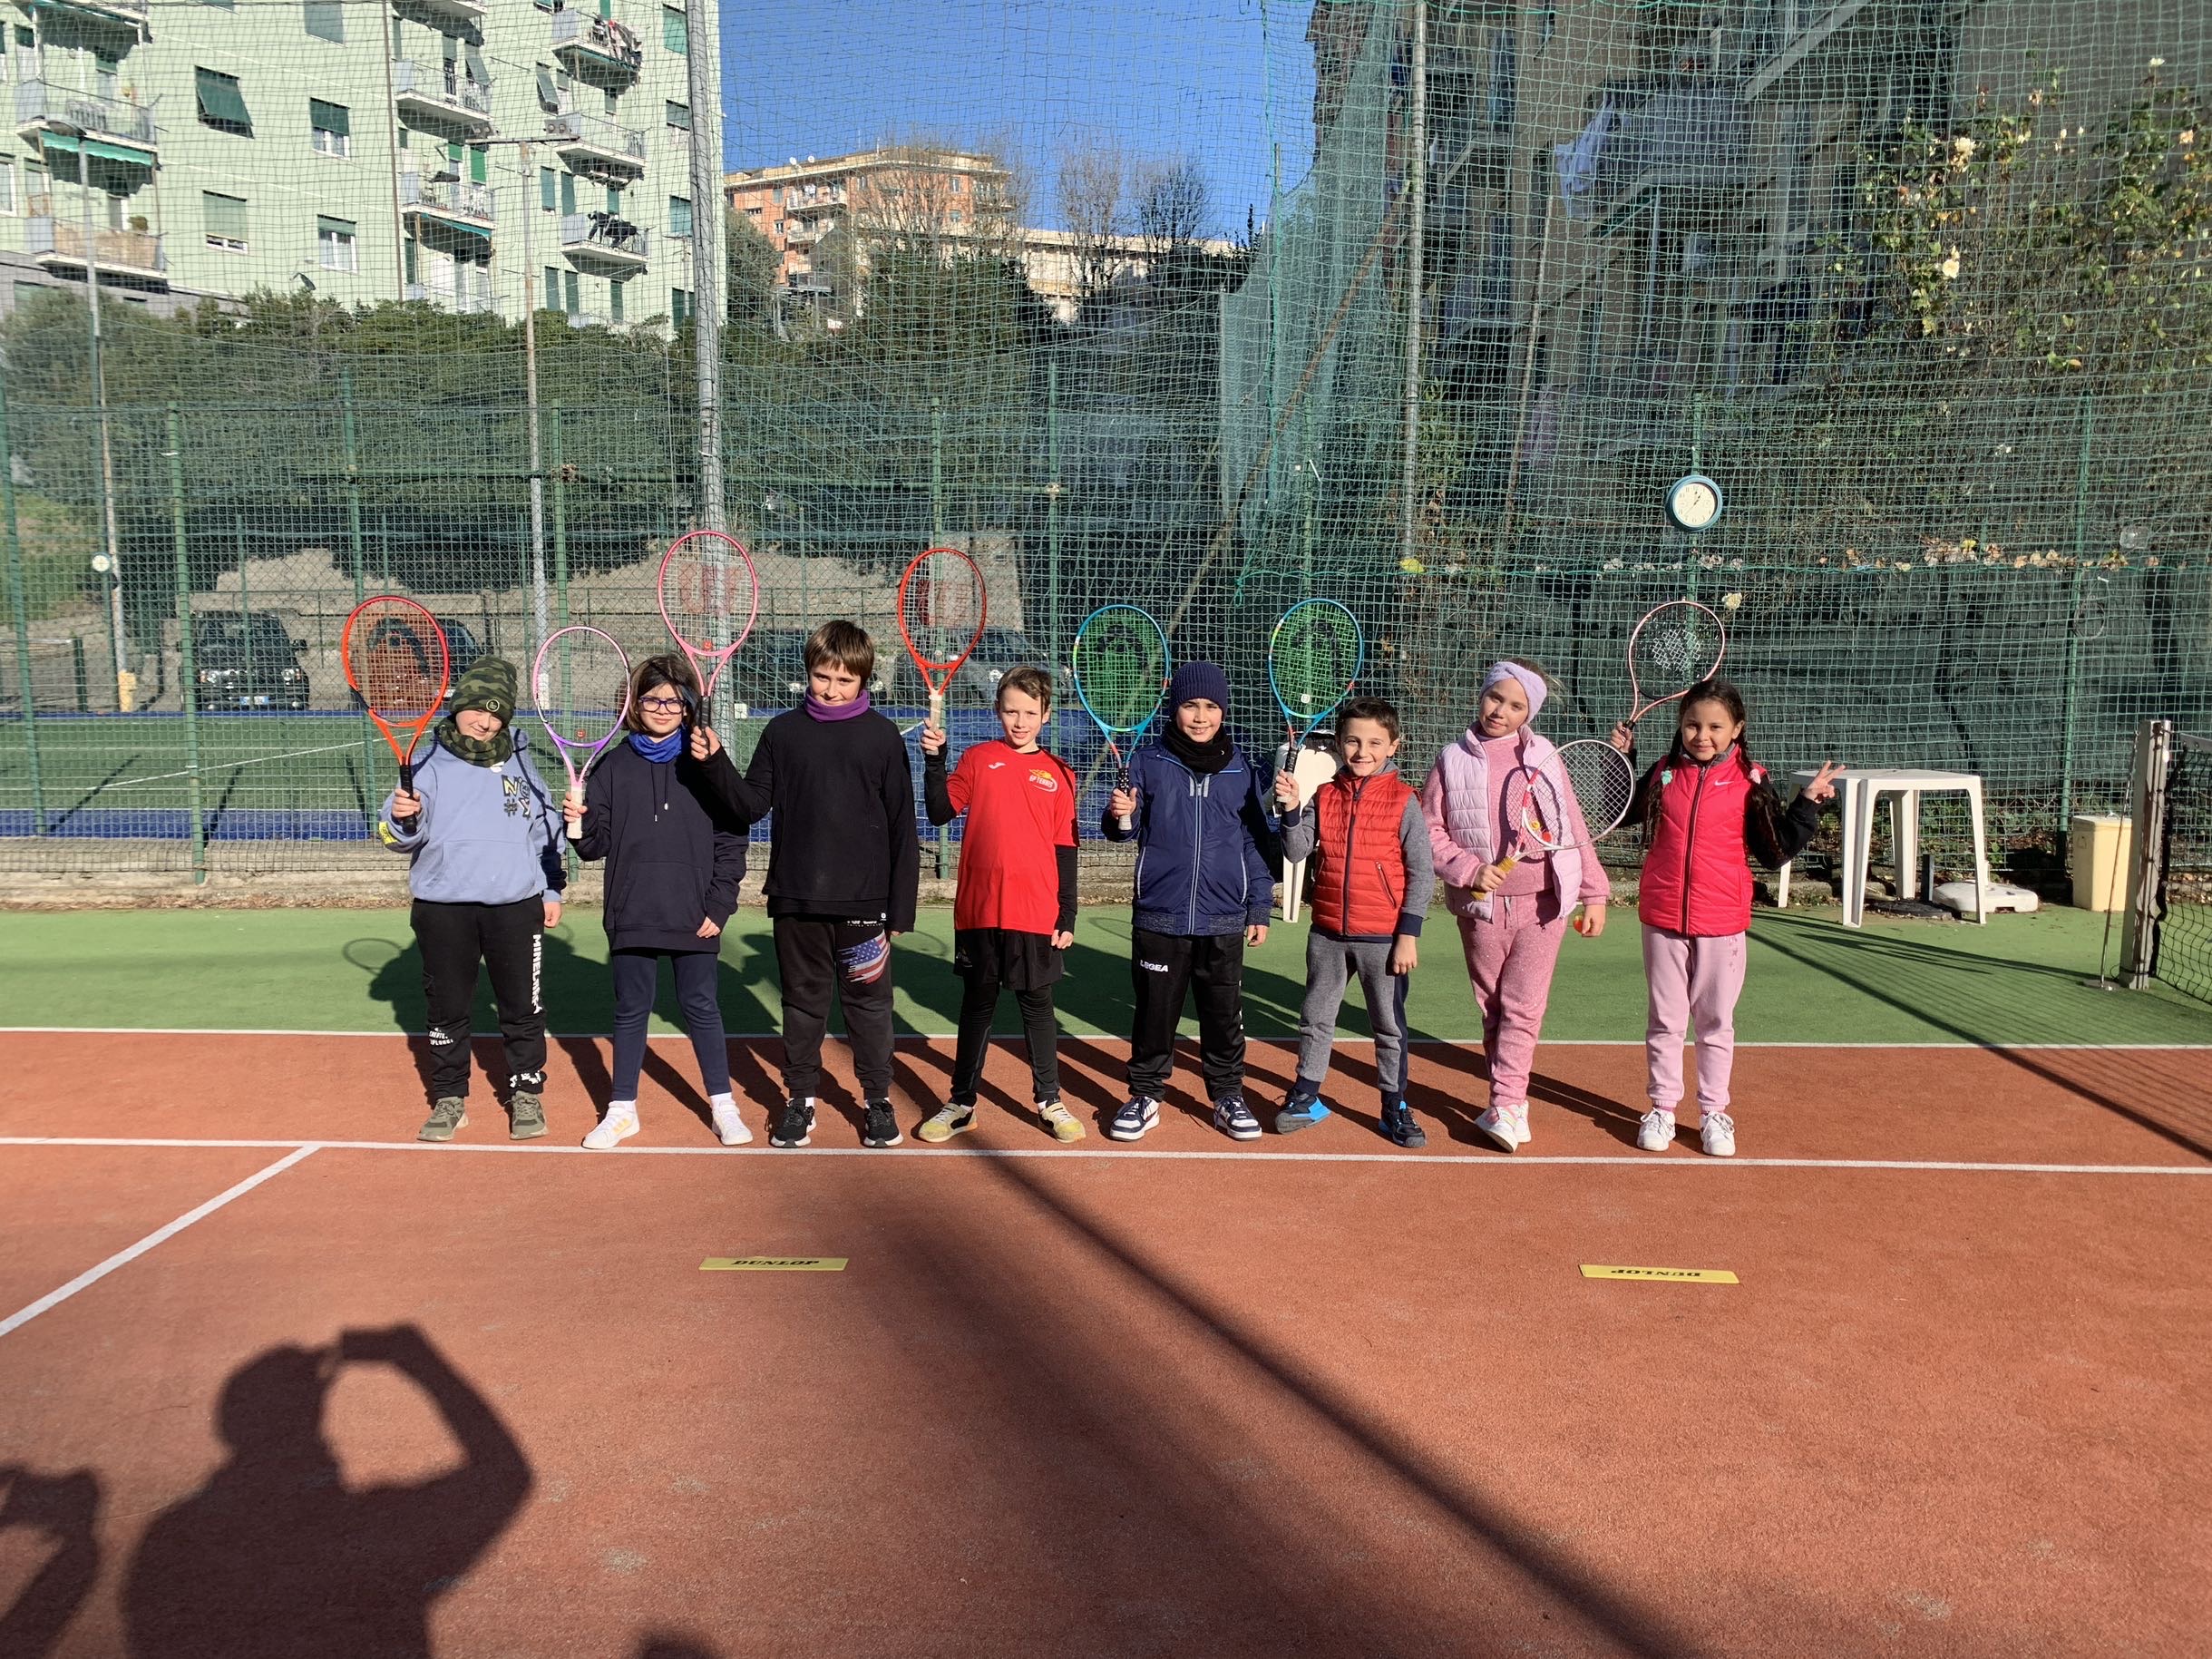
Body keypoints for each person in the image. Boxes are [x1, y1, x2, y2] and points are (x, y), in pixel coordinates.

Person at [692, 620, 920, 1151]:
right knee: (802, 1004)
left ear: (863, 680)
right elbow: (750, 805)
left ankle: (878, 1100)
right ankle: (801, 1100)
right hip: (795, 898)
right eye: (822, 677)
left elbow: (902, 827)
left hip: (865, 902)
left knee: (869, 1006)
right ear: (808, 672)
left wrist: (900, 909)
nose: (831, 689)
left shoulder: (882, 737)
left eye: (844, 680)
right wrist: (715, 761)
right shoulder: (782, 732)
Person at [1610, 678, 1843, 1156]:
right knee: (1665, 1021)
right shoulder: (1663, 772)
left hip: (1722, 921)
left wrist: (1806, 805)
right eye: (1692, 725)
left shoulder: (1751, 780)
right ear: (1681, 726)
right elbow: (1624, 811)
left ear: (1736, 729)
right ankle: (1662, 1109)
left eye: (1715, 727)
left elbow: (1774, 851)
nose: (1702, 735)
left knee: (1715, 1022)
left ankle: (1714, 1112)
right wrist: (1622, 761)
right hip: (1662, 916)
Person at [1421, 660, 1610, 1155]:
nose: (1500, 711)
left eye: (1516, 705)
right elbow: (1430, 830)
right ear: (1481, 694)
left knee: (1523, 1008)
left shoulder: (1545, 756)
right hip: (1481, 908)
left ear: (1530, 713)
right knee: (1493, 1008)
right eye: (1495, 697)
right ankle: (1508, 1102)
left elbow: (1572, 826)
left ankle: (1507, 1104)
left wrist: (1594, 893)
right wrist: (1469, 870)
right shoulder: (1450, 760)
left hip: (1544, 906)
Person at [563, 654, 749, 1150]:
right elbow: (594, 846)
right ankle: (622, 1111)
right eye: (651, 699)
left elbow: (732, 838)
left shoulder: (708, 761)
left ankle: (724, 1107)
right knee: (630, 1010)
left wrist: (720, 904)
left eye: (673, 700)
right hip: (632, 911)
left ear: (689, 705)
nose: (663, 708)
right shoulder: (612, 765)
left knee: (701, 1006)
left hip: (695, 912)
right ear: (633, 705)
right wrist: (578, 822)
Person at [378, 656, 565, 1143]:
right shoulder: (425, 762)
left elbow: (547, 832)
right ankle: (449, 1098)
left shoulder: (522, 760)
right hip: (444, 909)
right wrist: (402, 818)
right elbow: (395, 836)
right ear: (458, 706)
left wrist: (551, 888)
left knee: (523, 1007)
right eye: (477, 709)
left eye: (496, 713)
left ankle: (525, 1092)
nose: (484, 721)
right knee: (447, 1010)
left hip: (516, 906)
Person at [1101, 660, 1277, 1141]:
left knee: (1223, 1016)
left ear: (1224, 711)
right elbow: (1124, 831)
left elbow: (1254, 844)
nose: (1201, 717)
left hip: (1224, 917)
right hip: (1160, 916)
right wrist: (1120, 814)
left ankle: (1227, 1096)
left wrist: (1259, 906)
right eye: (1190, 705)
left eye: (1211, 706)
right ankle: (1145, 1096)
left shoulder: (1242, 769)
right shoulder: (1148, 762)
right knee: (1154, 1014)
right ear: (1174, 708)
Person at [916, 665, 1082, 1143]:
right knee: (977, 1007)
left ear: (1046, 715)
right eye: (1011, 711)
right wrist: (935, 760)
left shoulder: (1060, 773)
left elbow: (1065, 849)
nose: (1020, 721)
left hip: (1035, 912)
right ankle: (961, 1103)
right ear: (997, 711)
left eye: (1030, 712)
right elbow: (939, 811)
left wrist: (1066, 913)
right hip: (980, 910)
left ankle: (1049, 1101)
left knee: (1038, 1007)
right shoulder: (977, 758)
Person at [1272, 696, 1435, 1146]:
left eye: (1374, 743)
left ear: (1393, 746)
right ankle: (1306, 1096)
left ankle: (1394, 1105)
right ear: (1339, 744)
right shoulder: (1325, 795)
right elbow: (1296, 851)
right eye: (1352, 741)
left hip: (1383, 938)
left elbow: (1422, 872)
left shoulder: (1404, 801)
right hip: (1327, 932)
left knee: (1388, 1026)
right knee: (1315, 1018)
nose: (1362, 752)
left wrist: (1408, 934)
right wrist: (1291, 808)